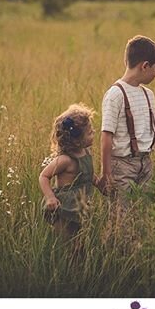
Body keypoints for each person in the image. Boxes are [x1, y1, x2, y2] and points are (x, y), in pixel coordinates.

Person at [100, 35, 155, 207]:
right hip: (122, 166)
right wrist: (106, 173)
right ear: (145, 66)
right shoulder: (115, 94)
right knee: (122, 218)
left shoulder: (148, 95)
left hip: (145, 164)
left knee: (142, 214)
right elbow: (106, 136)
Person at [39, 103, 102, 240]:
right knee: (67, 241)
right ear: (77, 140)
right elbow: (44, 176)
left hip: (81, 205)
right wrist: (50, 197)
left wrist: (98, 183)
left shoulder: (86, 152)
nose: (94, 133)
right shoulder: (65, 160)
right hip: (64, 208)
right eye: (90, 132)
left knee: (81, 240)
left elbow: (87, 174)